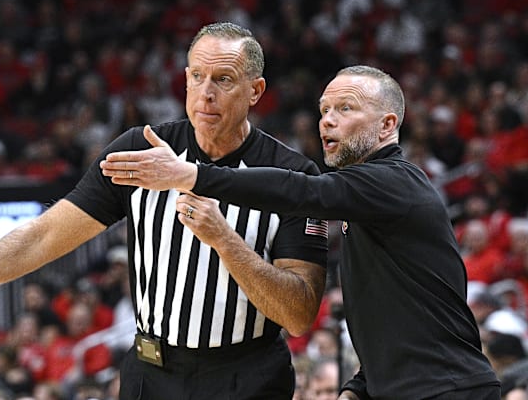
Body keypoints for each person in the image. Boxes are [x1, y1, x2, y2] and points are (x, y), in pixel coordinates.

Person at [0, 22, 328, 399]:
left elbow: (299, 314)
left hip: (246, 377)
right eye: (196, 77)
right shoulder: (139, 151)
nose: (205, 93)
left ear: (255, 90)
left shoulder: (292, 175)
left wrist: (226, 241)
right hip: (152, 372)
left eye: (223, 80)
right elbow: (46, 234)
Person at [99, 65, 501, 399]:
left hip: (448, 390)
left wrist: (194, 174)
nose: (328, 119)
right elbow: (400, 317)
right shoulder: (367, 202)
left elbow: (301, 190)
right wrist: (358, 388)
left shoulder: (395, 181)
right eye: (324, 109)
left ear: (387, 124)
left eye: (346, 108)